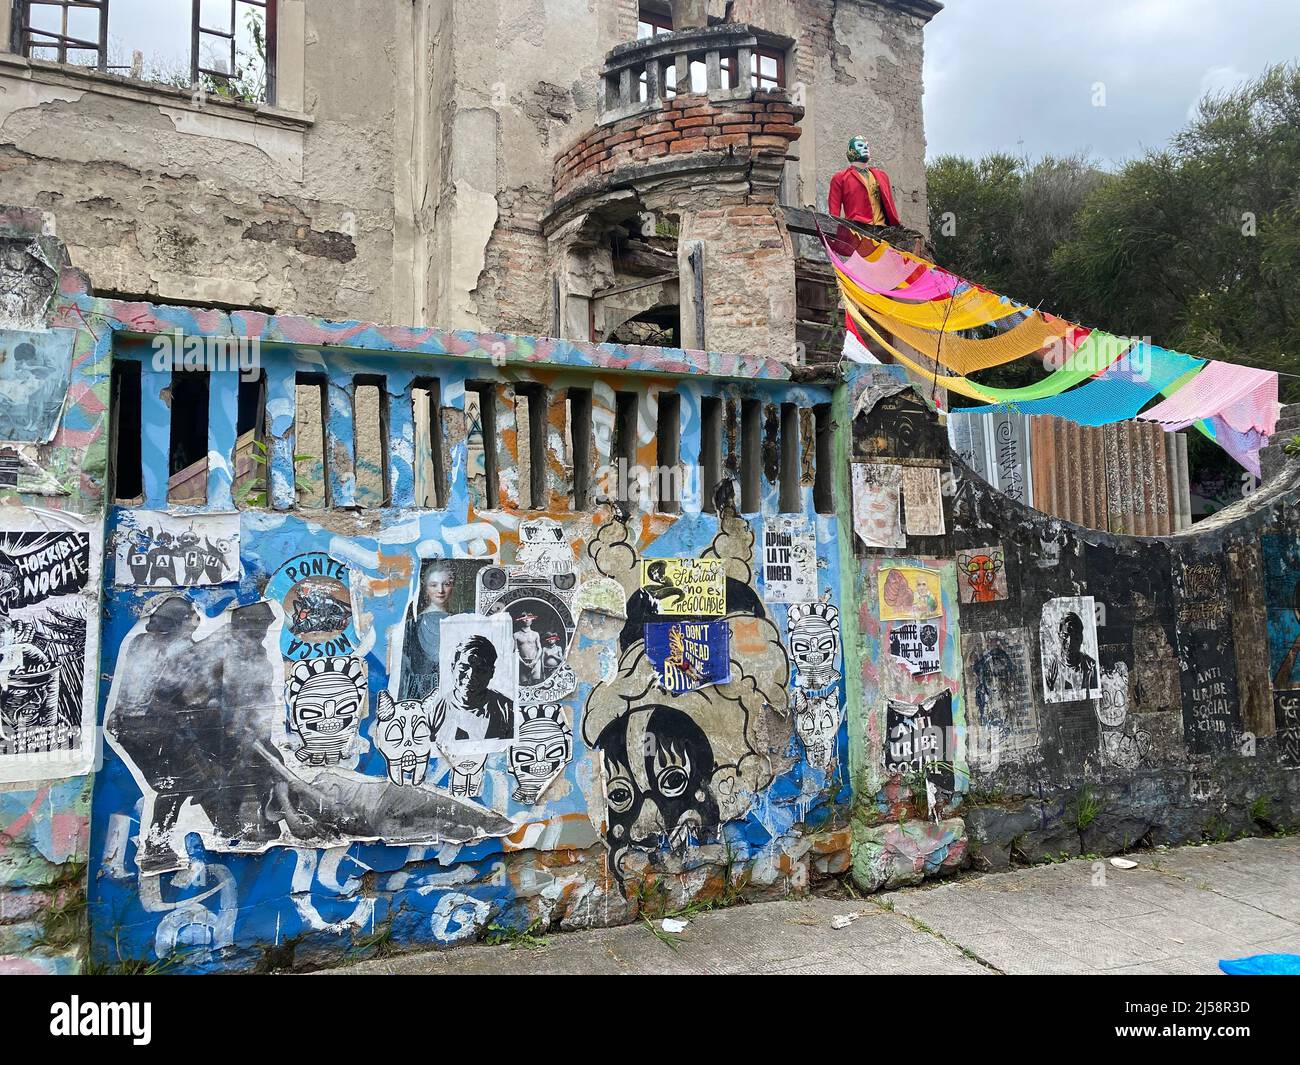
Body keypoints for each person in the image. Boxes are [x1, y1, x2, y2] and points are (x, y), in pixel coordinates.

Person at [430, 635, 514, 744]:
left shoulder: (507, 710)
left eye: (480, 669)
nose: (471, 675)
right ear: (452, 668)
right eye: (464, 668)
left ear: (491, 672)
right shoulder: (434, 710)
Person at [828, 136, 901, 227]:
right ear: (851, 150)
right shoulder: (840, 178)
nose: (865, 148)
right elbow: (834, 213)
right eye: (860, 145)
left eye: (867, 146)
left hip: (883, 229)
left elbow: (890, 207)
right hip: (857, 229)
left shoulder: (882, 176)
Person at [1046, 611, 1098, 695]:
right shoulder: (1052, 668)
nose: (1069, 642)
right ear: (1059, 637)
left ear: (1080, 639)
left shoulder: (1090, 666)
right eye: (1065, 636)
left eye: (1074, 636)